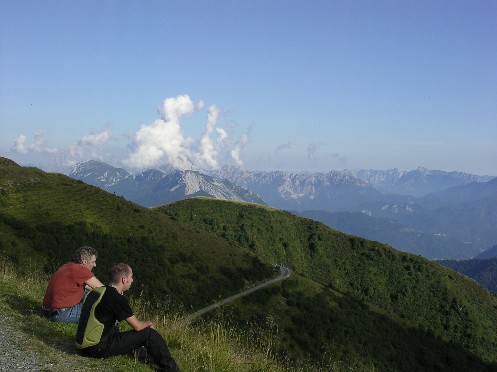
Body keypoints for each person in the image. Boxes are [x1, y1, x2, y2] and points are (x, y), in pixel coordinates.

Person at [76, 263, 180, 372]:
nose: (132, 280)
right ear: (123, 279)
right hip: (96, 348)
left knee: (128, 338)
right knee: (149, 333)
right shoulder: (116, 298)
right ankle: (171, 369)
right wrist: (149, 323)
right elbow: (138, 326)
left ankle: (151, 359)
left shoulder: (99, 290)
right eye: (131, 277)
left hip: (84, 345)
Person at [42, 246, 103, 323]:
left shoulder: (68, 266)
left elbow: (88, 287)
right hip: (61, 315)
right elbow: (103, 289)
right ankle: (113, 326)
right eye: (93, 262)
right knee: (100, 309)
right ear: (84, 261)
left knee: (90, 293)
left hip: (47, 311)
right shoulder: (81, 270)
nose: (95, 265)